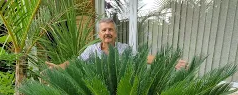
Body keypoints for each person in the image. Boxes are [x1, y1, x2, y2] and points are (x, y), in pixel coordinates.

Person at [46, 18, 187, 70]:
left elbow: (145, 58)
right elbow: (74, 62)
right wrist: (58, 67)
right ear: (99, 34)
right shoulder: (91, 50)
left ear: (115, 33)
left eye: (110, 30)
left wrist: (170, 62)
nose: (107, 32)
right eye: (104, 30)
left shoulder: (124, 49)